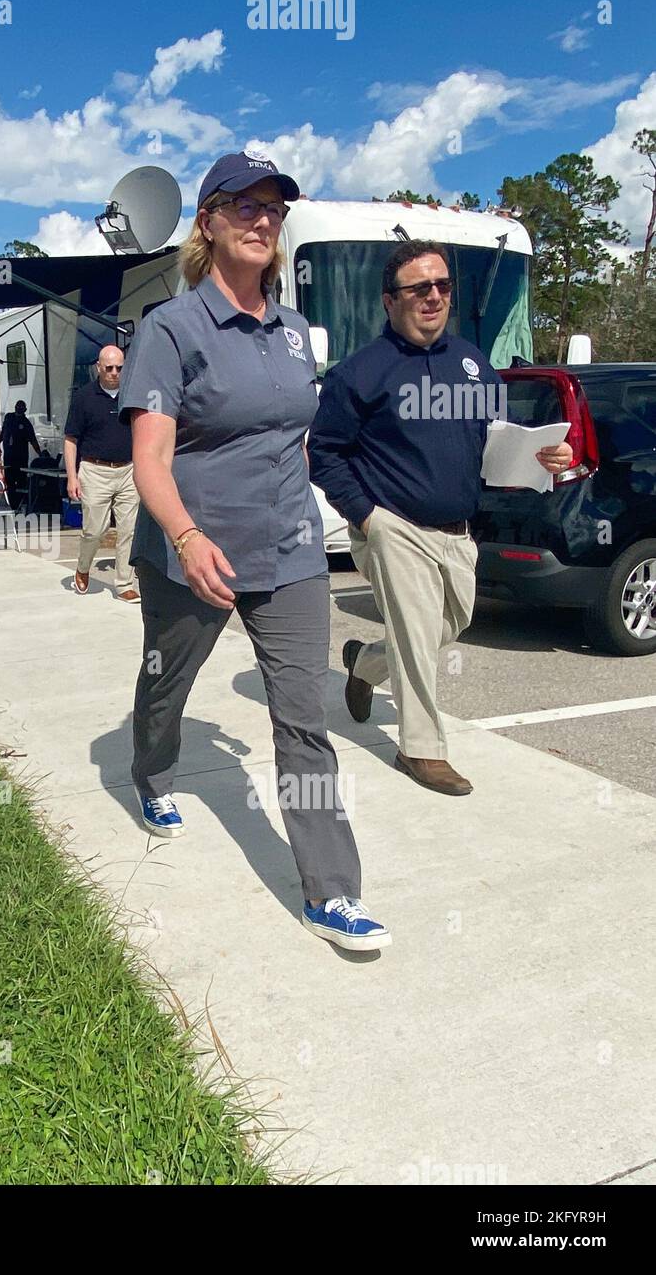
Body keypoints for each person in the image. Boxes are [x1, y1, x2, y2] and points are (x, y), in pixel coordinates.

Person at [120, 151, 389, 952]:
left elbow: (298, 440)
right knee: (168, 684)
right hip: (193, 553)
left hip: (292, 551)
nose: (262, 219)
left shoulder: (297, 334)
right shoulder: (171, 330)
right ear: (207, 223)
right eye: (244, 206)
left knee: (304, 720)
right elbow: (150, 462)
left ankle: (330, 893)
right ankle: (151, 770)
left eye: (273, 208)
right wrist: (189, 536)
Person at [308, 241, 572, 797]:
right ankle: (421, 749)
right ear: (389, 300)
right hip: (393, 527)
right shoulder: (361, 373)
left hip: (458, 532)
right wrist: (366, 518)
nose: (434, 296)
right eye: (419, 288)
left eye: (443, 286)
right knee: (418, 632)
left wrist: (547, 459)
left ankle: (364, 664)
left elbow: (500, 449)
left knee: (447, 625)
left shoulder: (474, 366)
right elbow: (325, 451)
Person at [64, 344, 140, 601]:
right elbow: (70, 439)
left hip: (129, 470)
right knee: (95, 530)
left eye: (120, 367)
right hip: (95, 471)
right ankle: (83, 567)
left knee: (129, 529)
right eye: (109, 368)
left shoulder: (133, 395)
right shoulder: (83, 397)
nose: (115, 373)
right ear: (98, 367)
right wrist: (72, 477)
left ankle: (124, 584)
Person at [0, 400, 40, 510]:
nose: (19, 409)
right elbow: (3, 432)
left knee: (21, 480)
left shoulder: (26, 423)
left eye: (22, 407)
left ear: (25, 409)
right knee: (10, 481)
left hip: (20, 456)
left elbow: (33, 440)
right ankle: (12, 504)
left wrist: (40, 453)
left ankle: (20, 504)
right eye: (18, 406)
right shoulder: (9, 417)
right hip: (9, 455)